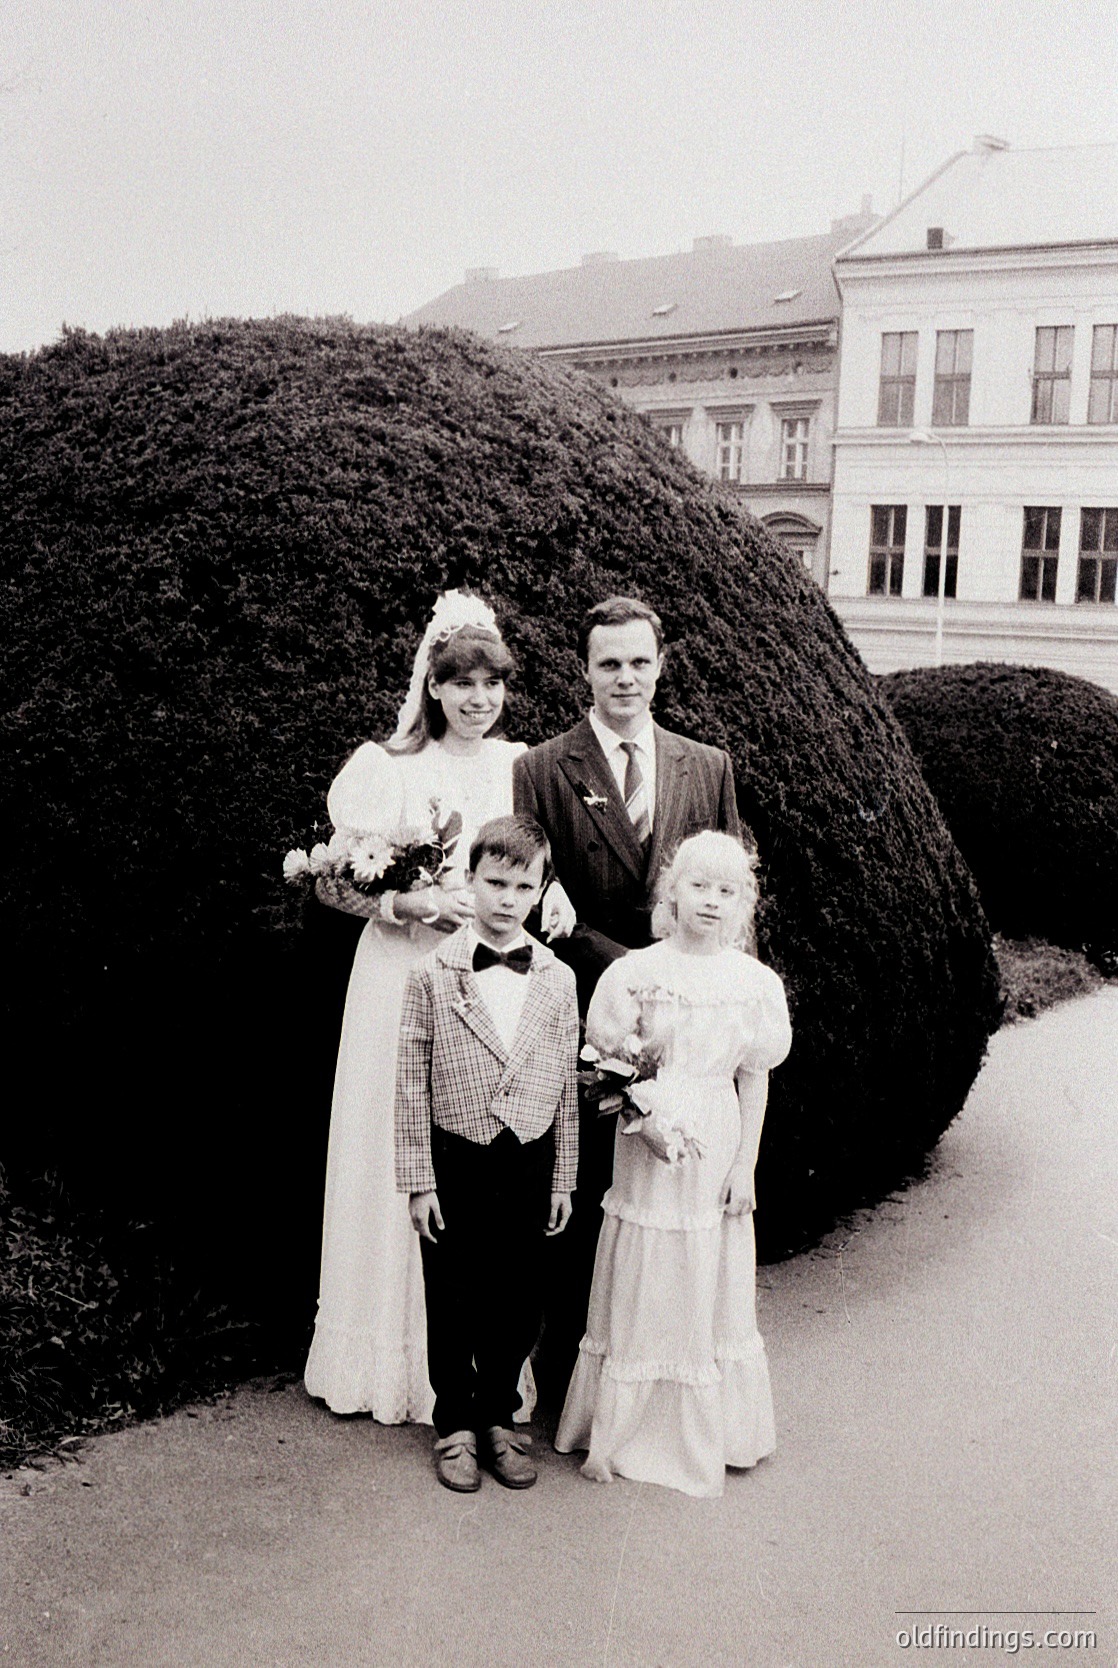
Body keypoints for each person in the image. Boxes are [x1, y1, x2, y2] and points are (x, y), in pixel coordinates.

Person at [303, 593, 574, 1422]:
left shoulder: (521, 767)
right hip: (400, 984)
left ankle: (478, 1375)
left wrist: (553, 900)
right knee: (399, 1151)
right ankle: (385, 1363)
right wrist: (408, 908)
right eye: (461, 683)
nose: (477, 700)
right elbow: (328, 881)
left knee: (477, 1157)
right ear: (432, 685)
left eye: (492, 684)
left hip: (492, 992)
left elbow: (531, 866)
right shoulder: (385, 766)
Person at [512, 595, 742, 1388]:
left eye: (640, 661)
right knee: (585, 1196)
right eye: (609, 663)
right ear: (585, 669)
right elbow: (539, 912)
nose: (626, 678)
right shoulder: (542, 769)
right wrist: (637, 972)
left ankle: (662, 1372)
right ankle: (574, 1375)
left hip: (690, 1028)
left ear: (660, 665)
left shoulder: (705, 765)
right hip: (593, 1015)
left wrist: (726, 1006)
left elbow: (729, 898)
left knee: (672, 1196)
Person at [555, 832, 791, 1498]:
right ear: (671, 893)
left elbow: (755, 1079)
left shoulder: (755, 984)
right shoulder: (634, 973)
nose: (711, 902)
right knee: (647, 1263)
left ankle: (707, 1429)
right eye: (698, 886)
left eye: (727, 891)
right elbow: (604, 1065)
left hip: (716, 1137)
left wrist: (744, 1166)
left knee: (705, 1267)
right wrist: (644, 1118)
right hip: (648, 1139)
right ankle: (624, 1426)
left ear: (744, 903)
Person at [395, 815, 580, 1492]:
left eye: (521, 886)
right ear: (468, 882)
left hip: (529, 1156)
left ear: (539, 890)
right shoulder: (432, 973)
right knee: (452, 1294)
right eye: (494, 882)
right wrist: (419, 1179)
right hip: (455, 1154)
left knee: (519, 1295)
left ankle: (501, 1416)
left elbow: (564, 1084)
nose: (506, 899)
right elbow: (410, 1078)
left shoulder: (558, 978)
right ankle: (455, 1426)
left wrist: (564, 1179)